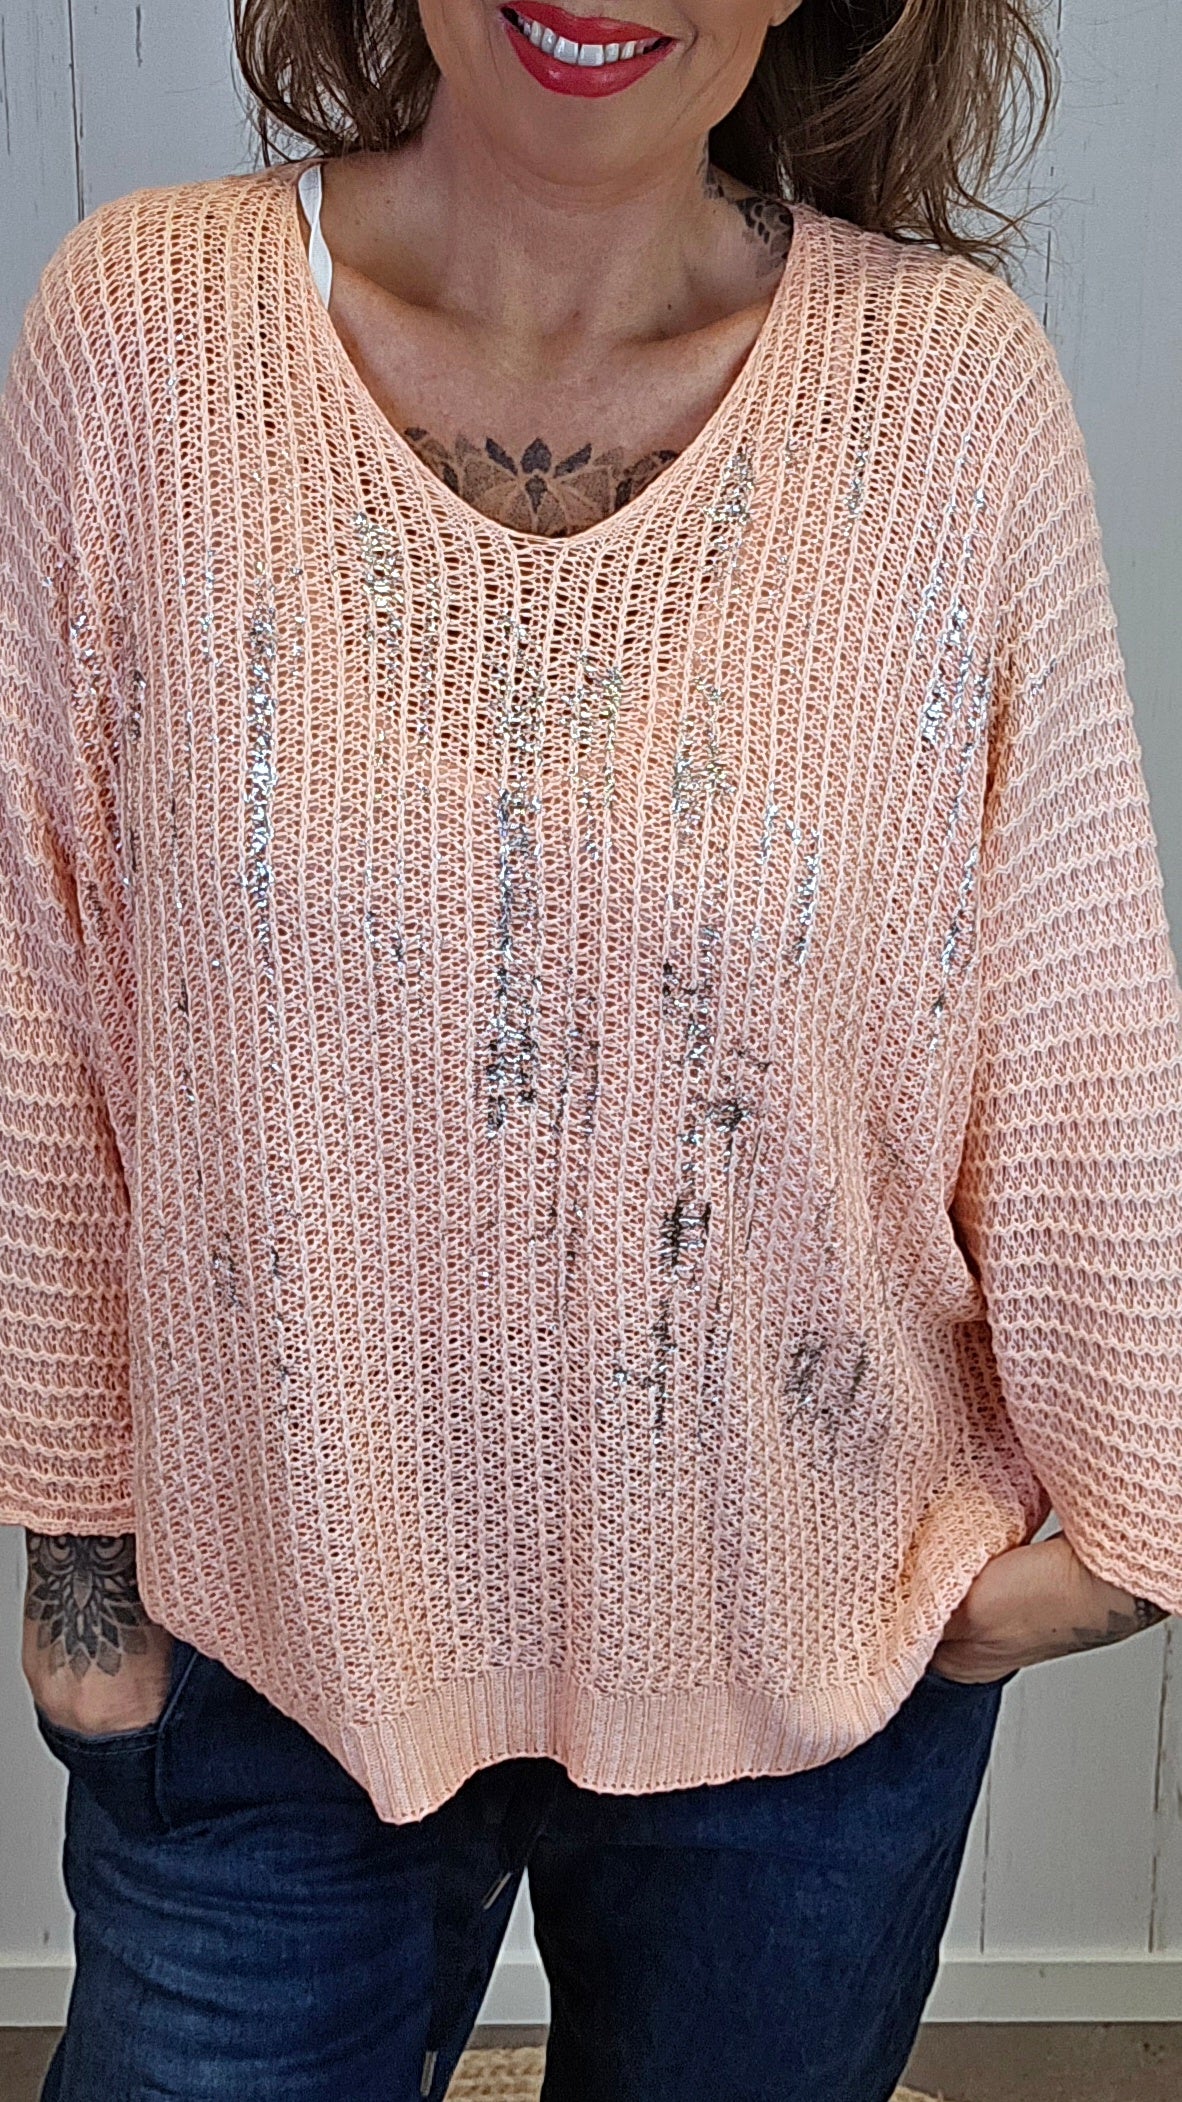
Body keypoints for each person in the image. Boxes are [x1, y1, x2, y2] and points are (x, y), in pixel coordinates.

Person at [2, 1, 1179, 2097]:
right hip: (266, 1639)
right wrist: (81, 1573)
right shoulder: (145, 333)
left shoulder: (951, 395)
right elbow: (46, 969)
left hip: (811, 1666)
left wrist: (1120, 1535)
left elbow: (1070, 1009)